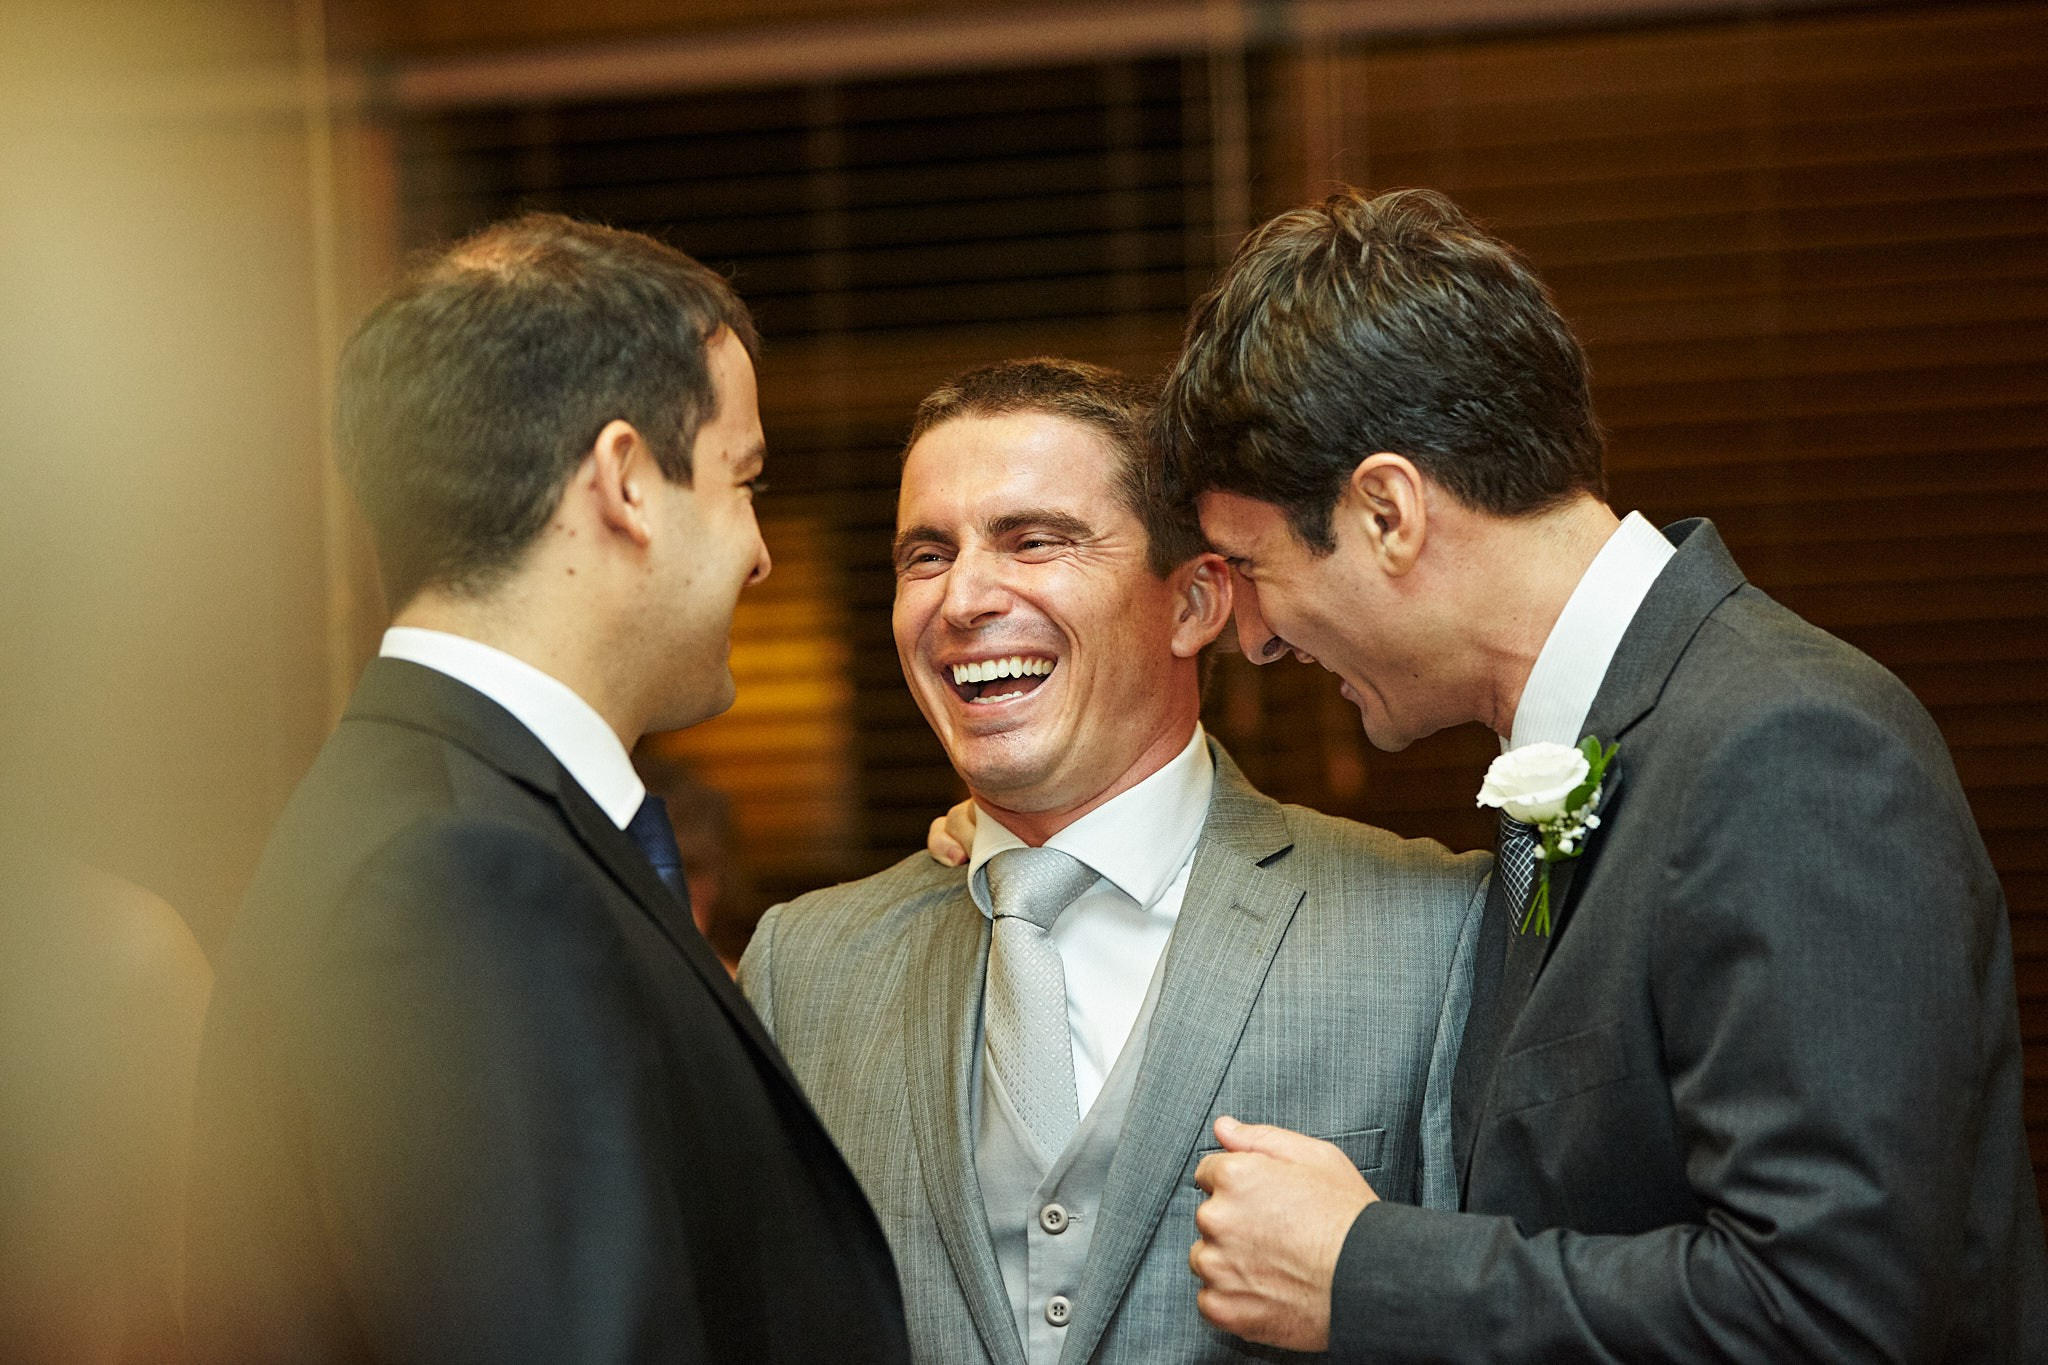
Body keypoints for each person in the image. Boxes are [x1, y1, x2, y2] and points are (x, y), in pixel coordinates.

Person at [1159, 188, 2047, 1361]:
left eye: (1256, 569)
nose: (1256, 638)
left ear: (1385, 511)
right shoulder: (1570, 759)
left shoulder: (1786, 750)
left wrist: (1367, 1272)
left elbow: (1837, 1314)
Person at [184, 213, 910, 1364]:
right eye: (743, 481)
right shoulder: (465, 880)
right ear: (625, 479)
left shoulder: (447, 807)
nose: (761, 552)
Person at [739, 358, 1487, 1364]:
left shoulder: (1427, 930)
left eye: (1033, 541)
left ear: (1192, 605)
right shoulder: (805, 964)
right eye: (925, 555)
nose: (961, 598)